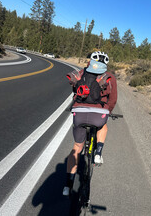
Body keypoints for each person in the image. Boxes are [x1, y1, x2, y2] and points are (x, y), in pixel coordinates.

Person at [63, 51, 117, 196]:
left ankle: (67, 186)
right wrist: (107, 111)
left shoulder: (82, 72)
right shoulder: (109, 77)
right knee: (102, 125)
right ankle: (98, 152)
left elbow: (74, 90)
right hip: (99, 116)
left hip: (79, 114)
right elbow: (112, 100)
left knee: (77, 147)